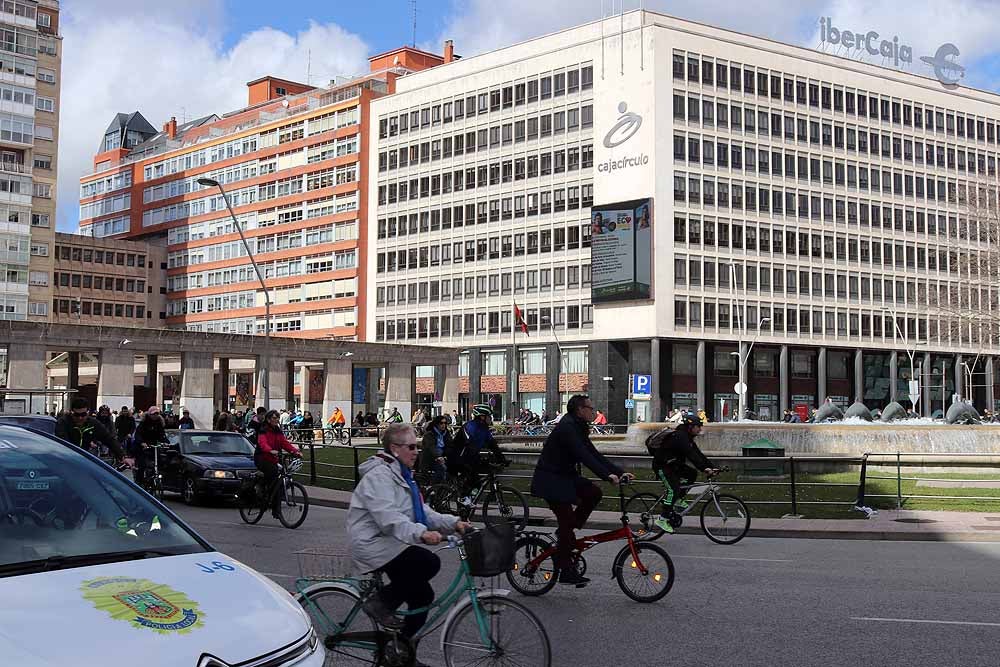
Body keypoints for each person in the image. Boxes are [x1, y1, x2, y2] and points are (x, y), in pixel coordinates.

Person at [347, 423, 470, 650]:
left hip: (391, 542)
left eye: (418, 447)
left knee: (423, 597)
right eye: (411, 447)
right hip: (373, 543)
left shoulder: (403, 474)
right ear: (395, 448)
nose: (416, 452)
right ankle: (380, 604)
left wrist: (454, 523)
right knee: (427, 562)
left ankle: (401, 652)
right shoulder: (380, 476)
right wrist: (421, 534)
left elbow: (422, 512)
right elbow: (389, 518)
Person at [531, 395, 629, 586]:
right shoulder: (568, 427)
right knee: (566, 523)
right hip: (551, 480)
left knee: (594, 493)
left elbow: (593, 453)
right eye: (590, 408)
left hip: (566, 477)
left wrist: (619, 472)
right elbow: (583, 455)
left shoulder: (579, 426)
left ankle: (567, 532)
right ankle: (565, 571)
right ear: (579, 410)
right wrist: (606, 476)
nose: (593, 411)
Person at [646, 411, 718, 533]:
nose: (700, 429)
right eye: (698, 426)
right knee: (672, 489)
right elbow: (691, 455)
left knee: (691, 474)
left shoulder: (688, 437)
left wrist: (711, 466)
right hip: (662, 466)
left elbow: (698, 454)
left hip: (674, 465)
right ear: (690, 427)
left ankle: (678, 498)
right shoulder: (680, 437)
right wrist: (704, 469)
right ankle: (663, 518)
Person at [449, 404, 505, 500]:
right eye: (489, 416)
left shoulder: (484, 429)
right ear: (482, 417)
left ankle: (469, 499)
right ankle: (462, 499)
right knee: (472, 480)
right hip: (458, 457)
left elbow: (492, 444)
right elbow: (469, 445)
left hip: (470, 457)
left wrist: (502, 459)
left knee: (477, 484)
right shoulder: (470, 426)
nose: (490, 419)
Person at [254, 410, 301, 514]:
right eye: (274, 418)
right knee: (273, 474)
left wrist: (295, 451)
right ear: (268, 419)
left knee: (279, 481)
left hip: (273, 458)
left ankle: (276, 508)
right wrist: (270, 450)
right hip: (262, 457)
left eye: (277, 418)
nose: (276, 420)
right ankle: (262, 490)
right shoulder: (263, 429)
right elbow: (262, 443)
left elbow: (284, 443)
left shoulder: (277, 430)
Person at [56, 398, 125, 463]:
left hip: (84, 458)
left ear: (88, 413)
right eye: (76, 415)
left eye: (83, 414)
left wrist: (122, 456)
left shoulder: (93, 423)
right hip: (65, 458)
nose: (80, 418)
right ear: (71, 412)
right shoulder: (63, 422)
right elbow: (63, 441)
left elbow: (108, 438)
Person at [130, 406, 169, 488]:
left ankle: (156, 477)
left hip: (153, 445)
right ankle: (139, 482)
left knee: (160, 461)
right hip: (142, 446)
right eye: (153, 414)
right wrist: (142, 442)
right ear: (149, 414)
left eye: (157, 414)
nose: (155, 415)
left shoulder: (159, 423)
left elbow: (162, 435)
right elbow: (138, 434)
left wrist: (165, 442)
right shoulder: (144, 423)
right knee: (142, 464)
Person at [418, 414, 451, 484]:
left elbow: (450, 445)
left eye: (445, 423)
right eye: (441, 423)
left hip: (442, 457)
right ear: (436, 424)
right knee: (441, 468)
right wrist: (438, 456)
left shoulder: (446, 433)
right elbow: (431, 447)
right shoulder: (429, 434)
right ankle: (433, 486)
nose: (443, 425)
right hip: (430, 459)